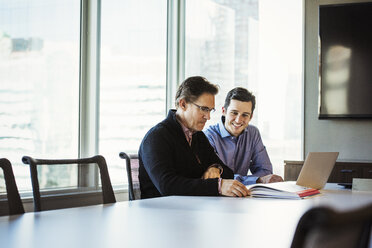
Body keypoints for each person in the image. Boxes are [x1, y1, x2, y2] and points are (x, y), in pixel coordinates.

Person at [138, 76, 250, 199]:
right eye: (204, 109)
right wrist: (217, 186)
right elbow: (167, 186)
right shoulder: (157, 137)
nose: (208, 117)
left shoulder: (198, 136)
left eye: (210, 110)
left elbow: (228, 173)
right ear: (183, 104)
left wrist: (215, 168)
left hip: (190, 210)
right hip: (159, 212)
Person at [204, 87, 283, 185]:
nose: (238, 120)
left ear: (251, 117)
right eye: (234, 113)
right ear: (224, 111)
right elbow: (214, 178)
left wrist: (252, 180)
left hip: (244, 197)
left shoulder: (253, 133)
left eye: (245, 115)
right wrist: (256, 180)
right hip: (216, 197)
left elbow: (265, 171)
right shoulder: (208, 136)